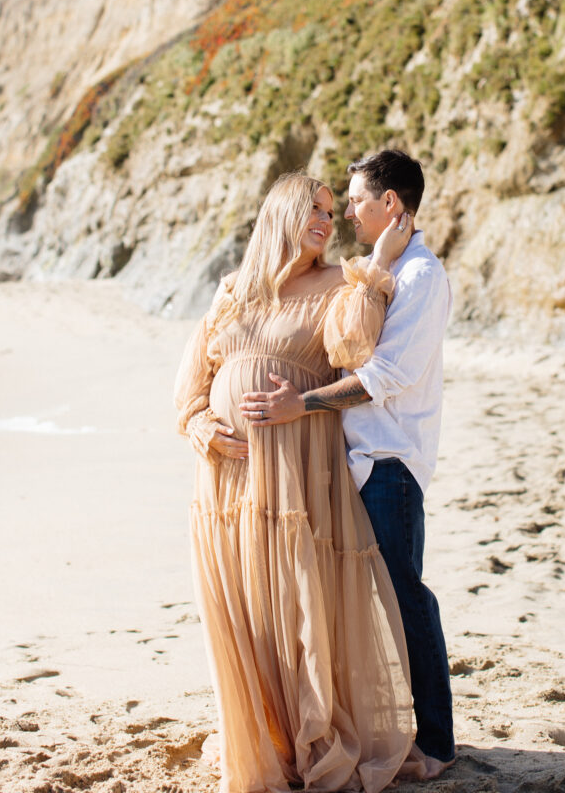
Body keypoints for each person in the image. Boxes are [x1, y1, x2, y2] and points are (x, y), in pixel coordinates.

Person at [174, 172, 416, 793]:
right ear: (280, 212)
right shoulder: (233, 291)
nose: (325, 220)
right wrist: (202, 426)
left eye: (332, 211)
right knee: (244, 610)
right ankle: (263, 738)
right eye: (312, 207)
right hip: (225, 484)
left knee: (295, 604)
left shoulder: (341, 283)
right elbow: (191, 386)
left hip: (296, 476)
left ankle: (311, 737)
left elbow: (357, 346)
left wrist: (377, 263)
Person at [241, 150, 455, 776]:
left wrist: (298, 405)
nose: (348, 215)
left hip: (387, 461)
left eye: (357, 201)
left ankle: (438, 744)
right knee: (346, 602)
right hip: (346, 460)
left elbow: (382, 375)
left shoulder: (420, 278)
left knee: (404, 597)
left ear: (392, 203)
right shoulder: (380, 268)